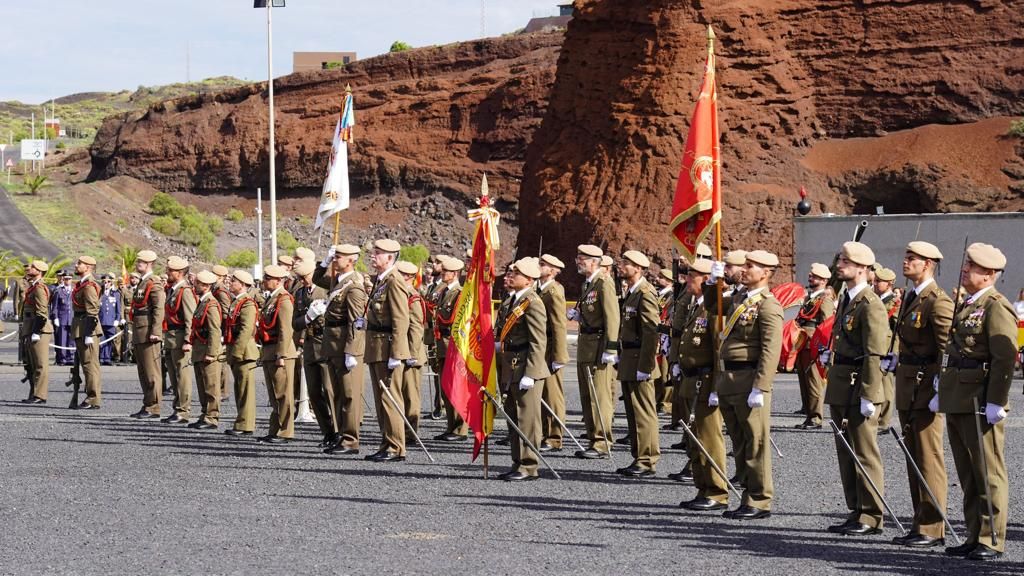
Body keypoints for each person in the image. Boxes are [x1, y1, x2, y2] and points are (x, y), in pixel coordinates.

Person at [938, 243, 1016, 561]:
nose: (965, 268)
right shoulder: (969, 304)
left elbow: (1004, 358)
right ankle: (974, 534)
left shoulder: (996, 305)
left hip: (980, 399)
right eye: (967, 262)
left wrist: (997, 400)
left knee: (988, 471)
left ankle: (991, 538)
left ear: (989, 275)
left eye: (972, 265)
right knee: (968, 472)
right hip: (959, 396)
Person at [707, 249, 783, 520]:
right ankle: (746, 493)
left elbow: (770, 350)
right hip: (729, 379)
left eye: (751, 266)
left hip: (749, 379)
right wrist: (711, 283)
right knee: (739, 442)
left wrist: (761, 387)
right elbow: (712, 306)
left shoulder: (768, 304)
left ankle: (759, 500)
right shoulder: (740, 297)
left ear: (765, 273)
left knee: (755, 443)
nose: (744, 269)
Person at [890, 241, 953, 548]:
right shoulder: (912, 297)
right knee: (914, 457)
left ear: (928, 264)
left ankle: (932, 527)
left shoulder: (937, 301)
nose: (906, 262)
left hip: (925, 385)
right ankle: (920, 522)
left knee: (929, 458)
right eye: (906, 256)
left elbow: (945, 349)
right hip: (908, 384)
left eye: (912, 258)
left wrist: (941, 388)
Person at [822, 242, 889, 536]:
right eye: (840, 259)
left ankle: (872, 514)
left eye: (846, 261)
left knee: (864, 452)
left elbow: (875, 353)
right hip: (841, 382)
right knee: (846, 451)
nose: (840, 265)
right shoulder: (848, 299)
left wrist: (869, 394)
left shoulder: (870, 303)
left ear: (862, 268)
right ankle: (856, 509)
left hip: (858, 385)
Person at [676, 258, 728, 510]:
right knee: (694, 437)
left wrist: (718, 386)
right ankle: (702, 487)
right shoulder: (694, 305)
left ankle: (717, 491)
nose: (687, 279)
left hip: (706, 381)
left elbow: (719, 350)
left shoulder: (713, 308)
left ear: (707, 279)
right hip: (691, 378)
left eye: (692, 275)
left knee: (709, 438)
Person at [497, 257, 550, 481]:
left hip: (526, 367)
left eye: (514, 274)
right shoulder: (513, 300)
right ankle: (517, 461)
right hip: (511, 365)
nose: (509, 277)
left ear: (528, 279)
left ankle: (529, 465)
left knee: (527, 418)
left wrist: (530, 373)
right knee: (513, 416)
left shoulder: (533, 302)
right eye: (509, 273)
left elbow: (538, 342)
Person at [315, 244, 368, 455]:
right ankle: (342, 436)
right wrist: (324, 262)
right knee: (338, 394)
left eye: (338, 257)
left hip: (345, 347)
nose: (335, 260)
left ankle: (351, 440)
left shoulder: (354, 286)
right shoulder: (338, 282)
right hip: (333, 346)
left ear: (351, 260)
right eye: (334, 257)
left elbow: (357, 322)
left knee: (349, 395)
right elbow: (317, 279)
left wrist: (351, 351)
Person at [364, 239, 412, 462]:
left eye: (378, 253)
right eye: (374, 252)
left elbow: (401, 320)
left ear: (390, 258)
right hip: (377, 347)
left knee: (391, 399)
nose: (373, 256)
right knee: (382, 399)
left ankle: (395, 447)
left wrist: (396, 353)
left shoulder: (395, 281)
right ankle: (387, 443)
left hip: (388, 348)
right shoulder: (382, 281)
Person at [571, 244, 620, 459]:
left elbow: (612, 317)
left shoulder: (604, 283)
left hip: (599, 346)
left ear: (594, 262)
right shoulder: (588, 285)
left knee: (598, 396)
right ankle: (593, 437)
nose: (578, 262)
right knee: (586, 395)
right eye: (579, 258)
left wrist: (610, 347)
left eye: (582, 259)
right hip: (587, 345)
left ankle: (602, 442)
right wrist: (580, 318)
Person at [616, 250, 662, 477]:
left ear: (639, 268)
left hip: (639, 361)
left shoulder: (645, 293)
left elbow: (651, 332)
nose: (621, 266)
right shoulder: (632, 292)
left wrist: (646, 366)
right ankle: (639, 456)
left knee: (643, 412)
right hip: (629, 358)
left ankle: (647, 459)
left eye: (627, 263)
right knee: (633, 412)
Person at [291, 260, 333, 445]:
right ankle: (328, 432)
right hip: (309, 345)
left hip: (324, 343)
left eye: (305, 277)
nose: (302, 281)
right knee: (314, 393)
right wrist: (308, 317)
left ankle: (339, 432)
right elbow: (295, 323)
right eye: (299, 278)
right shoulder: (299, 293)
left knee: (330, 390)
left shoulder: (325, 290)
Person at [257, 264, 297, 443]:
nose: (265, 281)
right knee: (274, 394)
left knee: (283, 394)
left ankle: (286, 431)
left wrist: (280, 354)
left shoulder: (284, 300)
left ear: (278, 281)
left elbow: (285, 330)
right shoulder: (272, 299)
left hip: (280, 352)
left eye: (268, 278)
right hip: (269, 350)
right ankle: (275, 428)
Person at [794, 263, 835, 429]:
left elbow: (827, 325)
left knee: (814, 382)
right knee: (804, 381)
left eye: (816, 276)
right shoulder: (810, 298)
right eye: (811, 275)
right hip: (802, 344)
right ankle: (809, 415)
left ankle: (816, 418)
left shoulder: (825, 300)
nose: (811, 278)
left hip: (813, 345)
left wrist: (823, 348)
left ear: (824, 280)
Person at [433, 258, 467, 442]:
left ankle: (460, 428)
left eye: (446, 271)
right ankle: (451, 426)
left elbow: (453, 319)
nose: (442, 273)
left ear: (455, 274)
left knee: (456, 387)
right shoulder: (444, 292)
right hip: (442, 344)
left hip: (452, 345)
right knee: (446, 388)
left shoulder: (459, 294)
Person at [538, 254, 569, 453]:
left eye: (543, 265)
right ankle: (543, 433)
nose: (539, 267)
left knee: (552, 395)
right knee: (541, 394)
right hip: (541, 347)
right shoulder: (540, 289)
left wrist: (558, 356)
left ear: (553, 270)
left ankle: (554, 436)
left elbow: (559, 325)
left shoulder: (553, 291)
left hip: (550, 349)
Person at [129, 251, 166, 419]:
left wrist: (156, 332)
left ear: (150, 263)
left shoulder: (154, 283)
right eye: (138, 261)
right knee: (143, 371)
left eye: (142, 262)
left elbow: (158, 309)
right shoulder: (143, 282)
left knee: (152, 372)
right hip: (139, 329)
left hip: (148, 330)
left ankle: (154, 406)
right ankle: (148, 403)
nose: (138, 263)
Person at [223, 270, 259, 437]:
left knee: (245, 391)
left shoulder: (247, 304)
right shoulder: (237, 301)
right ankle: (242, 421)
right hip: (237, 350)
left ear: (243, 285)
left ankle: (245, 424)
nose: (231, 283)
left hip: (244, 352)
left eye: (234, 281)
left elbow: (246, 330)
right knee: (239, 389)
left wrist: (236, 352)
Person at [162, 256, 196, 424]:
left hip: (181, 337)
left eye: (171, 271)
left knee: (183, 376)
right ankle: (177, 407)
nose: (167, 273)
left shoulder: (185, 291)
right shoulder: (172, 290)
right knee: (174, 376)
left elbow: (190, 318)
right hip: (171, 337)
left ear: (180, 273)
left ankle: (183, 410)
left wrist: (188, 340)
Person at [188, 270, 223, 429]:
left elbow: (215, 330)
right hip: (199, 350)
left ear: (206, 286)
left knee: (210, 386)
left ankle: (212, 416)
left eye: (198, 284)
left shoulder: (211, 304)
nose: (194, 286)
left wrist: (211, 353)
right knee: (202, 386)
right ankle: (205, 413)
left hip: (207, 351)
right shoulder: (202, 302)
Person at [397, 261, 427, 435]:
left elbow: (416, 327)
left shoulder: (412, 297)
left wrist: (412, 354)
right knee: (402, 393)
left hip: (411, 354)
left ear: (408, 277)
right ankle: (402, 429)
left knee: (410, 396)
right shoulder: (402, 293)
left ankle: (410, 432)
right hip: (403, 352)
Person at [71, 256, 103, 409]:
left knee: (90, 365)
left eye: (79, 264)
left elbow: (93, 311)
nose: (76, 265)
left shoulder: (89, 286)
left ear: (89, 267)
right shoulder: (82, 284)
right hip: (80, 326)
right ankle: (90, 395)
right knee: (85, 364)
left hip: (86, 327)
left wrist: (89, 333)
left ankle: (93, 398)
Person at [20, 260, 53, 404]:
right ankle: (34, 393)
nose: (29, 268)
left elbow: (41, 312)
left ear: (39, 271)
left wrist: (36, 331)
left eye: (33, 267)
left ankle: (40, 395)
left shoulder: (39, 288)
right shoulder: (33, 287)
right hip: (30, 328)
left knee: (40, 364)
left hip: (38, 329)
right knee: (32, 364)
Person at [422, 255, 450, 420]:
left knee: (443, 372)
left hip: (441, 335)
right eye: (434, 262)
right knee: (436, 370)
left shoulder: (444, 288)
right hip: (432, 334)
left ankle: (444, 407)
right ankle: (438, 405)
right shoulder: (434, 286)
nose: (434, 265)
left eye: (438, 263)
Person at [874, 266, 900, 429]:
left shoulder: (893, 303)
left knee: (887, 385)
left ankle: (884, 422)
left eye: (879, 281)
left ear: (889, 284)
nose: (875, 284)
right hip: (877, 346)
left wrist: (894, 352)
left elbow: (897, 329)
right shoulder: (876, 300)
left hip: (887, 348)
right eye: (875, 280)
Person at [653, 267, 675, 415]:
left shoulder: (671, 296)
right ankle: (658, 399)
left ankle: (666, 403)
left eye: (661, 276)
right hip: (656, 335)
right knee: (657, 371)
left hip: (664, 336)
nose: (657, 278)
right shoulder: (658, 294)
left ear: (668, 281)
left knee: (665, 372)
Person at [211, 264, 233, 401]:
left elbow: (225, 312)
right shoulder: (216, 289)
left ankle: (223, 391)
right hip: (217, 328)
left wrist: (222, 329)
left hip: (220, 328)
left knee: (221, 362)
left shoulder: (221, 292)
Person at [98, 274, 123, 366]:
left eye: (108, 282)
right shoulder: (99, 293)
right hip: (101, 320)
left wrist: (117, 319)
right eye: (104, 282)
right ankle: (101, 357)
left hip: (111, 320)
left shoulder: (115, 293)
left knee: (109, 340)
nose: (106, 284)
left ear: (111, 282)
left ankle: (107, 357)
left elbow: (118, 308)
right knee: (101, 340)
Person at [50, 271, 74, 365]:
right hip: (62, 318)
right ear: (63, 280)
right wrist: (55, 317)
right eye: (66, 279)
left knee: (71, 339)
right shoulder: (58, 291)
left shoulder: (75, 290)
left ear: (71, 280)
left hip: (72, 318)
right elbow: (55, 306)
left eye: (69, 279)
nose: (67, 281)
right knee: (62, 340)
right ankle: (62, 358)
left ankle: (70, 358)